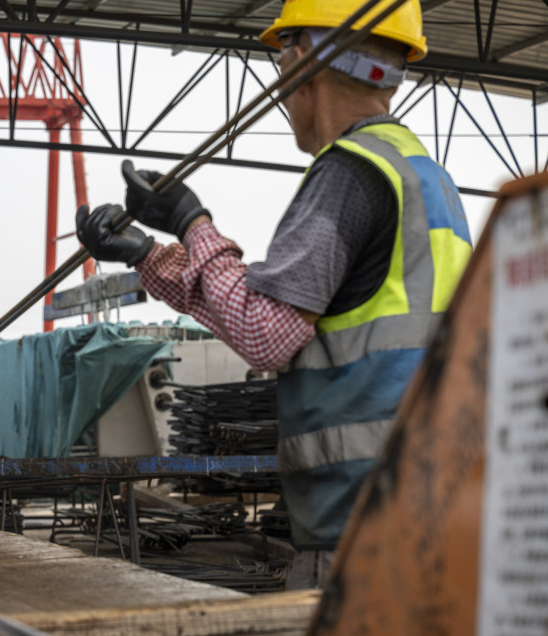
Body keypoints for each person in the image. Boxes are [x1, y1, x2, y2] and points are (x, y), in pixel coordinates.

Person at [77, 0, 471, 591]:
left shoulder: (349, 174)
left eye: (281, 58)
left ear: (302, 60)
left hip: (361, 526)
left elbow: (264, 333)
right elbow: (266, 311)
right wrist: (147, 257)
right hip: (432, 504)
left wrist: (191, 221)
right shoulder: (425, 177)